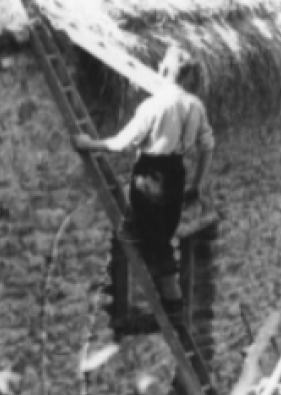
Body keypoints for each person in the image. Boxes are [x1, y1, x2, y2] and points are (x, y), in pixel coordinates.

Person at [71, 46, 215, 322]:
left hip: (151, 174)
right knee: (160, 233)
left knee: (154, 239)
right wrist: (197, 183)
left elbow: (121, 142)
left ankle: (173, 302)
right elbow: (207, 146)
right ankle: (171, 300)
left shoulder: (153, 106)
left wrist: (89, 144)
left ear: (163, 70)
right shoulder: (195, 106)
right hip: (177, 173)